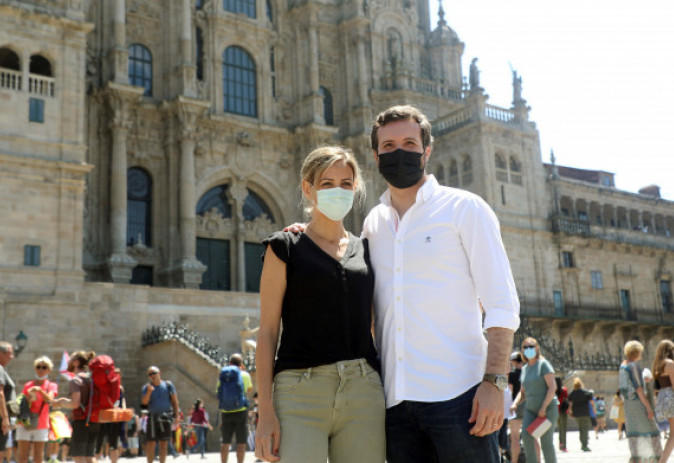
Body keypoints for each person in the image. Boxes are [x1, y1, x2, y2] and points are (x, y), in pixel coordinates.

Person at [364, 105, 520, 463]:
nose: (398, 152)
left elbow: (501, 303)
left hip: (460, 399)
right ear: (375, 156)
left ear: (426, 151)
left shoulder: (465, 208)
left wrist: (495, 383)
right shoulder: (373, 223)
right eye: (387, 146)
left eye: (408, 142)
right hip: (396, 405)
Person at [255, 146, 385, 463]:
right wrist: (265, 412)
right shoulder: (284, 246)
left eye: (345, 183)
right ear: (308, 188)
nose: (337, 191)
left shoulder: (367, 250)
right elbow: (268, 331)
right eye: (327, 184)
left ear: (355, 188)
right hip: (298, 392)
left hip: (362, 389)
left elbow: (372, 324)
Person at [510, 337, 558, 463]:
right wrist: (514, 404)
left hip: (547, 410)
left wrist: (543, 407)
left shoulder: (543, 364)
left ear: (537, 348)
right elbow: (522, 392)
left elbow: (552, 387)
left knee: (546, 442)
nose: (528, 349)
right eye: (525, 347)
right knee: (526, 436)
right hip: (531, 410)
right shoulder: (525, 369)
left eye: (531, 346)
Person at [620, 340, 662, 462]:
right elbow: (638, 388)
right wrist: (648, 407)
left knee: (635, 433)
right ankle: (653, 459)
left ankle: (637, 459)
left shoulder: (622, 366)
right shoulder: (633, 366)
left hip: (628, 405)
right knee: (650, 430)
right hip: (638, 404)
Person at [52, 351, 97, 463]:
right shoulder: (91, 379)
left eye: (70, 360)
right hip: (94, 420)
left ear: (76, 363)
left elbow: (75, 404)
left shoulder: (76, 381)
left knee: (79, 456)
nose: (68, 363)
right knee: (89, 456)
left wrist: (61, 402)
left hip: (82, 421)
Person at [16, 356, 58, 463]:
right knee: (22, 456)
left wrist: (40, 391)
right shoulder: (28, 385)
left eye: (44, 367)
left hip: (41, 424)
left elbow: (50, 401)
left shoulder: (51, 385)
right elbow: (23, 404)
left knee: (38, 456)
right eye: (38, 367)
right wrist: (28, 399)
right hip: (25, 421)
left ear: (48, 370)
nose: (41, 370)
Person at [218, 354, 252, 463]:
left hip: (226, 411)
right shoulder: (245, 375)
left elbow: (218, 392)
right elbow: (249, 390)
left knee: (225, 442)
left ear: (229, 363)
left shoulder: (223, 374)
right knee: (241, 442)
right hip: (241, 411)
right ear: (241, 364)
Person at [141, 366, 179, 463]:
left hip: (165, 417)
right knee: (151, 443)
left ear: (159, 373)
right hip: (153, 417)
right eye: (150, 374)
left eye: (154, 373)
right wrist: (149, 392)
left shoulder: (168, 385)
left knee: (164, 444)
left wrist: (176, 416)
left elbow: (174, 401)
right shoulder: (146, 387)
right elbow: (144, 403)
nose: (152, 375)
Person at [95, 368, 124, 463]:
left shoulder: (120, 388)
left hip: (114, 417)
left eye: (118, 375)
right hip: (104, 416)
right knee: (99, 441)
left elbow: (122, 400)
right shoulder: (105, 386)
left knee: (114, 443)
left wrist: (123, 410)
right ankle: (96, 459)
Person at [567, 378, 594, 452]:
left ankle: (582, 443)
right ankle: (584, 445)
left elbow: (570, 404)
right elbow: (592, 402)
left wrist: (570, 412)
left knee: (581, 428)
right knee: (585, 429)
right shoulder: (586, 392)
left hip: (576, 414)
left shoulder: (572, 393)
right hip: (585, 413)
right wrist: (593, 409)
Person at [508, 352, 525, 462]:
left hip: (516, 406)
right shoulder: (527, 372)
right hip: (529, 406)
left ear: (513, 361)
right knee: (532, 436)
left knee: (514, 437)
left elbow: (509, 391)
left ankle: (514, 461)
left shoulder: (512, 374)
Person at [556, 377, 569, 453]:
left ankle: (560, 444)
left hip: (555, 411)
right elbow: (566, 399)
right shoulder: (564, 390)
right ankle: (563, 446)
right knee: (563, 429)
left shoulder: (553, 390)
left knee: (559, 428)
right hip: (563, 411)